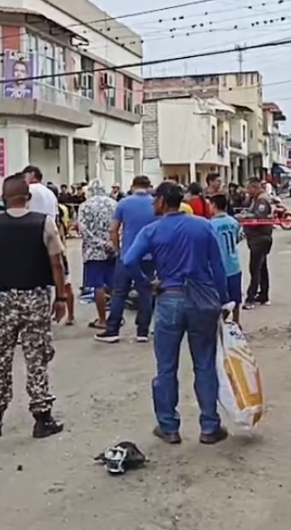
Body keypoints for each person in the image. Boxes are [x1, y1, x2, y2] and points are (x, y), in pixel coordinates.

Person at [122, 181, 231, 445]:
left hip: (169, 299)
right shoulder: (203, 226)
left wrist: (147, 284)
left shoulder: (152, 230)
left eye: (154, 199)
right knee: (204, 363)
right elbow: (218, 267)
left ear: (161, 201)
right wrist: (224, 301)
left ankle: (169, 427)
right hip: (202, 300)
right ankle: (209, 426)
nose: (152, 204)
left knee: (166, 366)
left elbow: (129, 260)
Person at [0, 173, 67, 439]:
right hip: (36, 297)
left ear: (3, 197)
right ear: (29, 197)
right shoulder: (45, 223)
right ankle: (42, 417)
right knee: (37, 358)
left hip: (3, 299)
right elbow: (56, 263)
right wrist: (61, 297)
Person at [99, 175, 158, 343]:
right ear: (148, 186)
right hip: (148, 256)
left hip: (127, 255)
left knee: (119, 292)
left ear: (132, 186)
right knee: (146, 292)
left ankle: (112, 330)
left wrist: (118, 250)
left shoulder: (123, 203)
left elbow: (113, 229)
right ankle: (143, 331)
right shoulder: (155, 204)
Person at [78, 179, 119, 329]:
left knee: (98, 286)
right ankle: (115, 318)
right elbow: (120, 227)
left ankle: (102, 319)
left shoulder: (85, 206)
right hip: (112, 250)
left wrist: (100, 244)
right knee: (113, 285)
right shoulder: (114, 204)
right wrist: (112, 243)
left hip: (93, 252)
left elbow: (83, 230)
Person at [238, 177, 274, 308]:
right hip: (257, 238)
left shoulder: (262, 200)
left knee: (255, 268)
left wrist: (244, 217)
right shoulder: (255, 199)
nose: (247, 191)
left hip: (260, 238)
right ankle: (263, 295)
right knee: (262, 267)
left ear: (255, 187)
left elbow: (259, 218)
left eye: (249, 188)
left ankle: (251, 298)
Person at [208, 194, 243, 324]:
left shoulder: (210, 225)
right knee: (236, 297)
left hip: (219, 267)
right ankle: (236, 321)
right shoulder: (233, 221)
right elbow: (239, 238)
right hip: (234, 264)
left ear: (214, 205)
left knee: (220, 298)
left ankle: (220, 322)